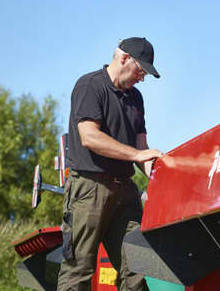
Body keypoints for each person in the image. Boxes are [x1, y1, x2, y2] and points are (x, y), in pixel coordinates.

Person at [57, 37, 163, 291]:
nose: (142, 78)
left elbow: (142, 149)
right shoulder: (90, 86)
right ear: (124, 58)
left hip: (125, 194)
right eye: (141, 70)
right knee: (78, 270)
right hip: (89, 190)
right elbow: (89, 137)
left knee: (137, 269)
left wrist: (160, 176)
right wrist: (136, 156)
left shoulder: (136, 99)